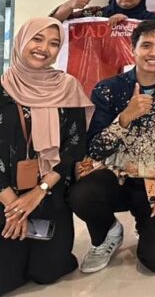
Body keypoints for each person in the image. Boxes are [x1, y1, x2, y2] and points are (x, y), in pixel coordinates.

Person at [69, 20, 155, 275]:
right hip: (115, 178)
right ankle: (108, 232)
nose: (153, 52)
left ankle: (146, 226)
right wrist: (125, 118)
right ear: (132, 49)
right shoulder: (109, 89)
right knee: (82, 195)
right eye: (146, 45)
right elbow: (94, 149)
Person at [0, 18, 92, 297]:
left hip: (49, 193)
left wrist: (39, 191)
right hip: (4, 194)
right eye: (37, 39)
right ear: (21, 41)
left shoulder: (67, 87)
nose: (44, 48)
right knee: (5, 279)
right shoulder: (3, 88)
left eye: (54, 43)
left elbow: (74, 146)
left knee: (47, 272)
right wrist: (14, 205)